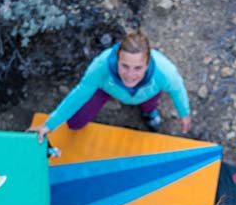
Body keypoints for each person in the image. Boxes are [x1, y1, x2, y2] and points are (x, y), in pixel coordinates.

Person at [28, 31, 192, 141]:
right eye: (124, 66)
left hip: (147, 92)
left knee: (149, 104)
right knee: (75, 123)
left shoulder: (165, 72)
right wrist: (49, 125)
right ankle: (146, 110)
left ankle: (149, 113)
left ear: (148, 64)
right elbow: (79, 95)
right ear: (117, 58)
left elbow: (178, 91)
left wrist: (184, 113)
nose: (130, 75)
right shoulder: (100, 67)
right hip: (106, 88)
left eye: (138, 68)